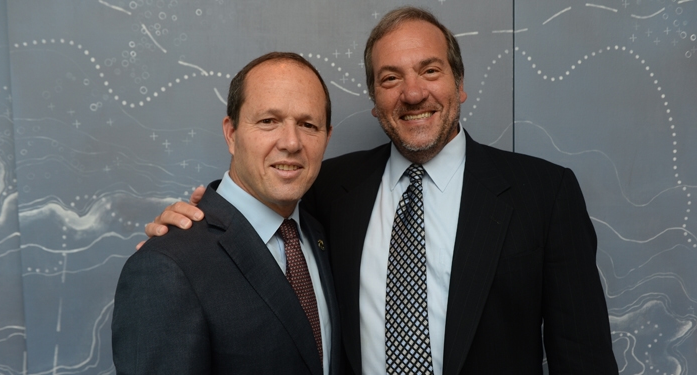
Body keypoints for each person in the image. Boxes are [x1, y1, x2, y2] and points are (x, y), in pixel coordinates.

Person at [144, 7, 618, 374]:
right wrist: (189, 232)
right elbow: (253, 216)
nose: (412, 93)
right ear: (374, 101)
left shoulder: (544, 194)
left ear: (460, 84)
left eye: (430, 71)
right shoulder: (327, 187)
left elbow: (585, 359)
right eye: (390, 78)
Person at [112, 52, 341, 374]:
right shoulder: (167, 265)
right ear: (231, 134)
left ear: (326, 138)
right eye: (268, 121)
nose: (291, 142)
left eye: (308, 124)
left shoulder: (324, 234)